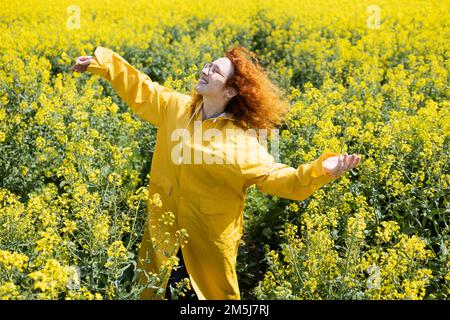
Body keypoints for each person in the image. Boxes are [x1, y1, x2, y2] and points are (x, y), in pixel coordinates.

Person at [71, 45, 361, 300]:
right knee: (153, 291)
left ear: (230, 91)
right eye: (208, 65)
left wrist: (320, 169)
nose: (205, 70)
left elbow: (277, 179)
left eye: (215, 70)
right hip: (163, 235)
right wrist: (104, 64)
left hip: (206, 243)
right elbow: (142, 89)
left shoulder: (242, 142)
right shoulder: (176, 108)